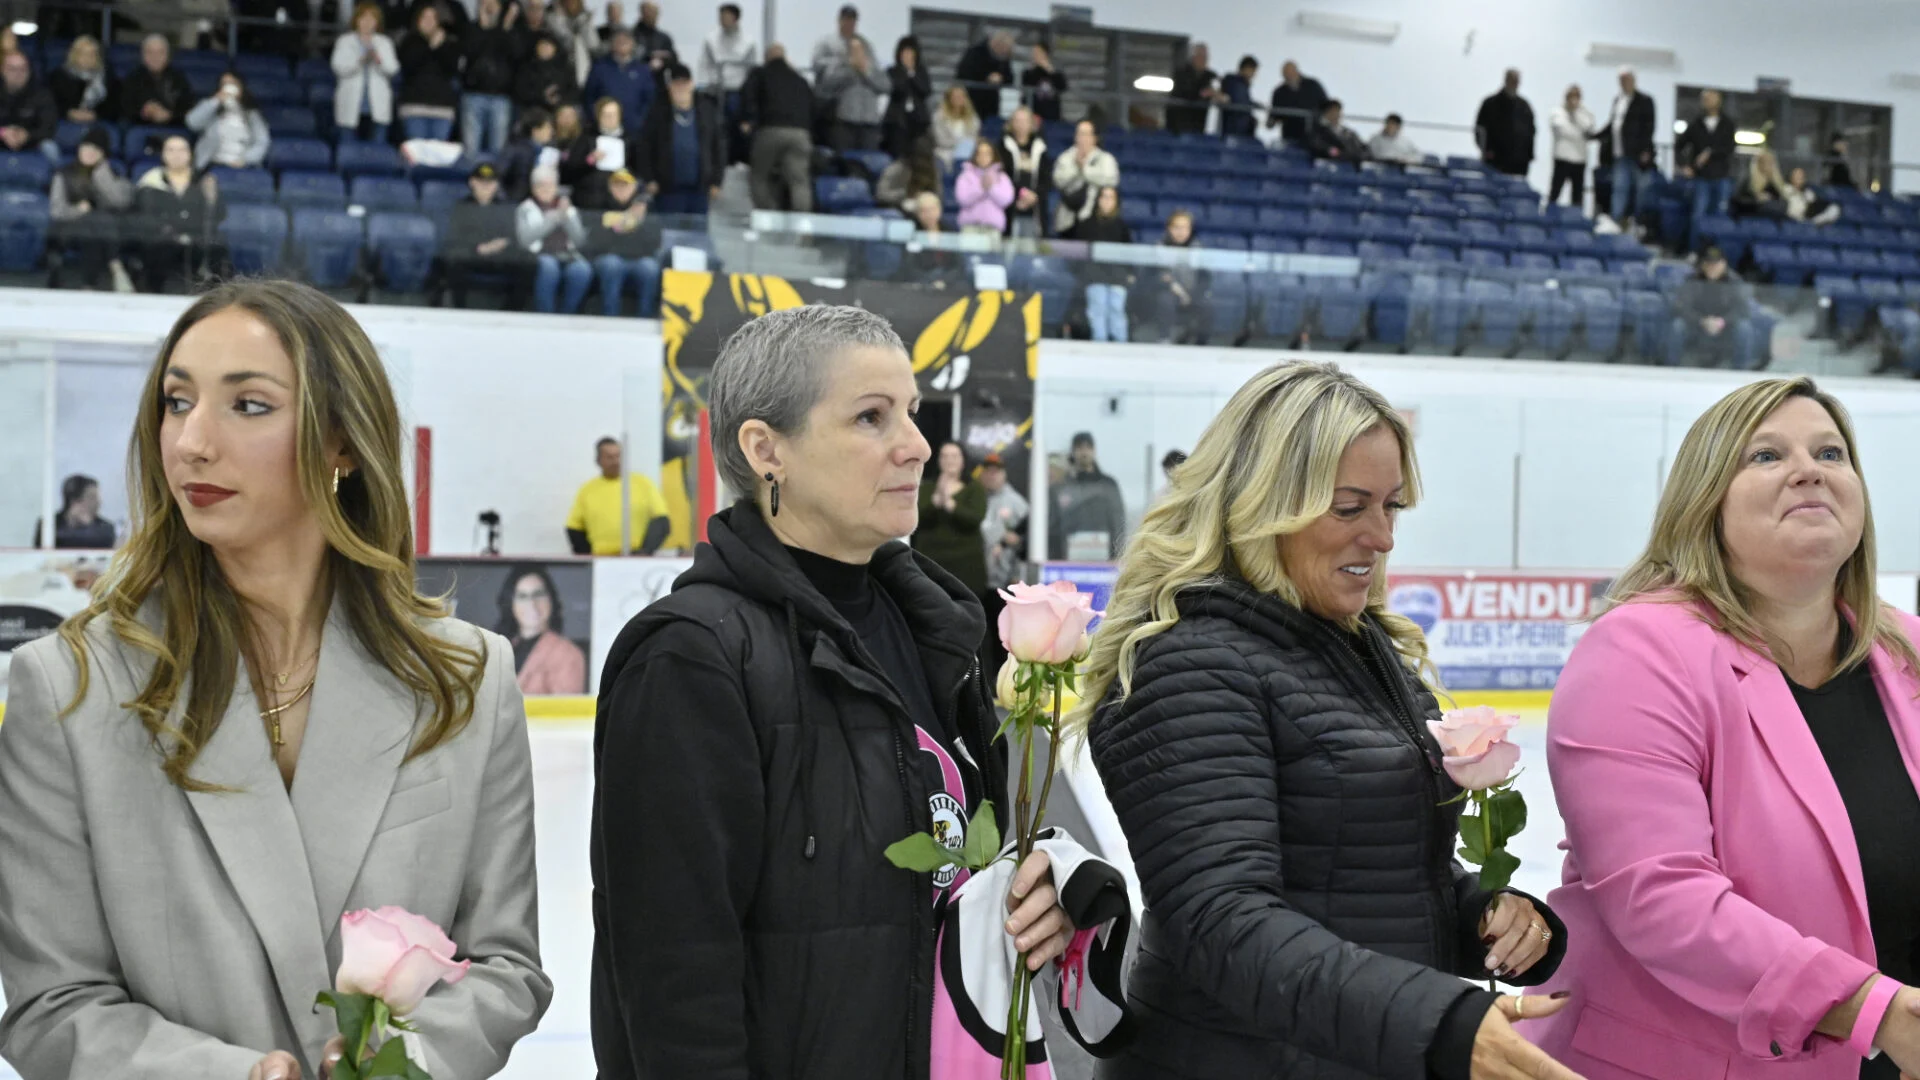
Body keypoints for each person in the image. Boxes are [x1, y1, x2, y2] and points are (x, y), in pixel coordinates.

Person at [0, 279, 552, 1080]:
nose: (191, 442)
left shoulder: (467, 679)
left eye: (248, 405)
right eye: (176, 401)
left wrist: (399, 1063)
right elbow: (54, 1004)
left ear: (342, 442)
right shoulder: (67, 688)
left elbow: (504, 966)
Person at [590, 304, 1088, 1079]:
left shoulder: (935, 633)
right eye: (870, 417)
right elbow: (674, 992)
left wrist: (1030, 898)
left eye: (912, 415)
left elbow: (948, 868)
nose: (918, 446)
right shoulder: (691, 661)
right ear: (767, 451)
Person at [1073, 360, 1571, 1080]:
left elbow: (1369, 878)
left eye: (1392, 506)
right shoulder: (1188, 663)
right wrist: (1442, 1022)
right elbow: (1223, 924)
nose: (1383, 536)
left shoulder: (1358, 647)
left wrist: (1486, 915)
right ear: (1261, 503)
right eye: (1349, 507)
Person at [1530, 376, 1920, 1079]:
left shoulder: (1908, 652)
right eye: (1766, 456)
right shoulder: (1638, 652)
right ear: (1704, 502)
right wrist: (1872, 1010)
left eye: (1831, 452)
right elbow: (1662, 900)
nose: (1809, 468)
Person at [562, 429, 674, 559]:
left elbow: (661, 521)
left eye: (618, 456)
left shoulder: (643, 484)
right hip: (601, 560)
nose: (616, 461)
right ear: (598, 460)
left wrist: (644, 551)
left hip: (636, 558)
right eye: (609, 457)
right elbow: (574, 528)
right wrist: (589, 558)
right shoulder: (587, 490)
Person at [48, 126, 134, 292]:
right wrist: (78, 210)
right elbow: (57, 211)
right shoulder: (64, 174)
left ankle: (89, 284)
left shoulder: (114, 173)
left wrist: (101, 175)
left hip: (102, 232)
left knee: (94, 226)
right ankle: (116, 266)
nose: (89, 152)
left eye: (96, 149)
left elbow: (121, 202)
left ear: (104, 153)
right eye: (86, 147)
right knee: (95, 220)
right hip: (69, 227)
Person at [437, 161, 533, 309]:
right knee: (454, 260)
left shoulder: (504, 207)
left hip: (499, 257)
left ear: (496, 185)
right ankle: (459, 310)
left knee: (528, 262)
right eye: (481, 182)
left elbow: (512, 237)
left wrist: (500, 245)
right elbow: (454, 237)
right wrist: (478, 248)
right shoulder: (462, 207)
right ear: (472, 182)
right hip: (471, 256)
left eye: (490, 183)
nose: (486, 187)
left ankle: (512, 311)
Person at [634, 65, 726, 216]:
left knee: (697, 236)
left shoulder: (707, 110)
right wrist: (649, 178)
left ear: (691, 84)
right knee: (670, 235)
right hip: (667, 190)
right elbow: (644, 147)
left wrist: (717, 181)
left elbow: (719, 147)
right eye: (676, 84)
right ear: (669, 87)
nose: (680, 88)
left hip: (700, 190)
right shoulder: (657, 112)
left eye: (684, 83)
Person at [133, 135, 221, 294]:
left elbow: (219, 215)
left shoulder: (204, 181)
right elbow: (146, 216)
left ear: (190, 154)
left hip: (197, 240)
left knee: (218, 248)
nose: (177, 154)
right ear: (163, 155)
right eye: (171, 150)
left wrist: (212, 200)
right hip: (162, 240)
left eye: (182, 149)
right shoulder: (151, 181)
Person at [915, 440, 989, 608]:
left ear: (963, 460)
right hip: (932, 565)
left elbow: (975, 518)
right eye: (945, 456)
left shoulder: (974, 488)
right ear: (938, 460)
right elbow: (916, 519)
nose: (950, 460)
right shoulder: (925, 488)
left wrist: (950, 504)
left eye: (954, 456)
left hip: (966, 567)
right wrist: (936, 503)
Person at [740, 44, 814, 211]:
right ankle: (802, 228)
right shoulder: (800, 79)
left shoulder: (760, 73)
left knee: (759, 177)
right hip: (800, 134)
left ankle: (770, 218)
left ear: (766, 58)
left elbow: (747, 95)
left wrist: (748, 120)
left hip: (770, 130)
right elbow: (812, 105)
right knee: (799, 182)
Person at [580, 168, 663, 316]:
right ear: (610, 187)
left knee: (649, 268)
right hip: (608, 257)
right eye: (617, 185)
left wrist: (641, 223)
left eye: (625, 185)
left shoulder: (646, 208)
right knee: (612, 265)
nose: (621, 189)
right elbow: (593, 241)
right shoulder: (600, 206)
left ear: (634, 187)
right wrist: (616, 227)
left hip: (638, 258)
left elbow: (655, 242)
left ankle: (645, 316)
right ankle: (610, 315)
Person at [496, 565, 588, 695]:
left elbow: (564, 712)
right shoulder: (503, 648)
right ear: (511, 604)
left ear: (551, 600)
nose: (532, 604)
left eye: (538, 594)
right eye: (522, 596)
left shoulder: (569, 654)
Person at [517, 165, 594, 314]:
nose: (546, 190)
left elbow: (580, 241)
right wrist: (553, 219)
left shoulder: (569, 208)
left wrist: (568, 218)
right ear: (533, 188)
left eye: (550, 185)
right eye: (541, 186)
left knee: (582, 269)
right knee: (549, 267)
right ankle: (546, 314)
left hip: (568, 255)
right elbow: (524, 240)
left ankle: (568, 313)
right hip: (537, 255)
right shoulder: (525, 208)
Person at [1048, 431, 1127, 561]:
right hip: (1068, 560)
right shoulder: (1061, 488)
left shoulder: (1108, 485)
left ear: (1094, 450)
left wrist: (1117, 556)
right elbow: (1053, 526)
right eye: (1079, 448)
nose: (1084, 452)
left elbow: (1118, 522)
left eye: (1088, 447)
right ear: (1073, 452)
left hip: (1104, 559)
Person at [1668, 245, 1749, 368]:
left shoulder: (1734, 282)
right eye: (1709, 263)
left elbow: (1742, 309)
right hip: (1696, 325)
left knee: (1744, 328)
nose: (1712, 267)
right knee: (1677, 326)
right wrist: (1701, 321)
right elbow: (1682, 307)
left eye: (1716, 263)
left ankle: (1741, 370)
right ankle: (1671, 367)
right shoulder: (1692, 280)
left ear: (1724, 264)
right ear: (1703, 264)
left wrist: (1722, 321)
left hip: (1725, 327)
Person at [1596, 66, 1657, 232]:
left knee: (1640, 190)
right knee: (1619, 188)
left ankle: (1637, 221)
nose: (1624, 83)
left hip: (1638, 155)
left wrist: (1645, 151)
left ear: (1633, 81)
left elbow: (1649, 127)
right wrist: (1595, 136)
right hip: (1620, 154)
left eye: (1627, 80)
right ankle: (1616, 220)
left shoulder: (1645, 100)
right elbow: (1613, 125)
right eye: (1622, 80)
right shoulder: (1618, 100)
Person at [1678, 89, 1737, 251]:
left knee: (1719, 217)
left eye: (1711, 98)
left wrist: (1710, 153)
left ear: (1719, 101)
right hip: (1701, 177)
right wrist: (1685, 166)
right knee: (1698, 216)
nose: (1707, 101)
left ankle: (1717, 254)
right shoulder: (1696, 124)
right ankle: (1694, 251)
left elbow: (1729, 148)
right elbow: (1679, 145)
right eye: (1704, 98)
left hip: (1721, 176)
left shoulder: (1728, 124)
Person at [332, 4, 401, 143]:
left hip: (377, 105)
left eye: (371, 19)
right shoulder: (345, 41)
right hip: (350, 102)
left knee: (377, 148)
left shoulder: (384, 43)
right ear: (356, 20)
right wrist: (360, 61)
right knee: (348, 146)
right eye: (363, 18)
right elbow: (337, 67)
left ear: (377, 22)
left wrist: (378, 60)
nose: (367, 22)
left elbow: (393, 69)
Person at [459, 0, 519, 156]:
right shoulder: (471, 28)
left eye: (494, 3)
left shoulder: (510, 30)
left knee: (498, 151)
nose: (490, 7)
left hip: (501, 97)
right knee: (470, 150)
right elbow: (469, 52)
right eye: (486, 2)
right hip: (473, 94)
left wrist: (506, 28)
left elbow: (516, 54)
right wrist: (482, 28)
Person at [1073, 187, 1133, 343]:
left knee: (1116, 309)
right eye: (1104, 197)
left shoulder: (1122, 226)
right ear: (1098, 200)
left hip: (1117, 276)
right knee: (1097, 308)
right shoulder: (1086, 225)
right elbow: (1079, 253)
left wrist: (1128, 273)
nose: (1107, 201)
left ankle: (1120, 342)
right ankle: (1099, 342)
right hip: (1094, 275)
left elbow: (1128, 253)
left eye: (1111, 197)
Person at [396, 4, 461, 142]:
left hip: (442, 110)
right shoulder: (409, 42)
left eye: (433, 18)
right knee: (417, 156)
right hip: (414, 108)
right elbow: (409, 66)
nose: (429, 21)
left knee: (437, 157)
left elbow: (451, 69)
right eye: (425, 17)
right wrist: (430, 45)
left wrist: (439, 46)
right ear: (418, 21)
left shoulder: (449, 44)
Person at [185, 71, 271, 171]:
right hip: (211, 165)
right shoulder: (210, 109)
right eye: (224, 84)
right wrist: (216, 100)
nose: (228, 88)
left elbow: (262, 141)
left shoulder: (252, 114)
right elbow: (192, 123)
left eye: (233, 84)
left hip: (241, 166)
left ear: (241, 88)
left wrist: (246, 160)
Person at [818, 36, 888, 152]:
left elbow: (886, 86)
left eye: (859, 49)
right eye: (853, 49)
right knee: (844, 162)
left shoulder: (874, 67)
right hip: (845, 124)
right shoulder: (840, 66)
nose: (857, 52)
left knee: (868, 162)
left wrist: (866, 72)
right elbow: (827, 84)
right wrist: (850, 70)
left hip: (869, 125)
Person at [1052, 119, 1119, 236]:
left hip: (1097, 221)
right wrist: (1076, 169)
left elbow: (1112, 179)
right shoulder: (1066, 157)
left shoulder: (1105, 158)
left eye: (1087, 134)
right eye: (1080, 134)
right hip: (1068, 220)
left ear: (1094, 138)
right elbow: (1058, 180)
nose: (1083, 139)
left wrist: (1085, 170)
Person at [586, 27, 656, 139]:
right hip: (604, 131)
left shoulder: (643, 70)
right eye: (618, 40)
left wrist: (640, 121)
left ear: (633, 44)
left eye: (626, 40)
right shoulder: (599, 68)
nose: (622, 43)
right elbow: (589, 97)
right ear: (612, 44)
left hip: (635, 132)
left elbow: (650, 100)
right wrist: (597, 120)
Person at [1151, 209, 1206, 346]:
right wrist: (1181, 294)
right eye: (1177, 227)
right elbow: (1160, 276)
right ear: (1169, 228)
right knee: (1165, 300)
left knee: (1207, 305)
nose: (1181, 231)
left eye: (1185, 228)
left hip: (1192, 292)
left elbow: (1204, 278)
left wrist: (1193, 294)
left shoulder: (1198, 248)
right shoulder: (1160, 247)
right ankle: (1165, 339)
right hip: (1169, 292)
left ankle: (1201, 343)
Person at [120, 33, 194, 132]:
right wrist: (143, 113)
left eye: (160, 52)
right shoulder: (132, 78)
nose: (155, 57)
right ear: (142, 55)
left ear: (168, 56)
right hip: (140, 128)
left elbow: (188, 109)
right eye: (150, 52)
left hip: (173, 129)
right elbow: (124, 108)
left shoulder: (178, 78)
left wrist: (169, 116)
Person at [565, 97, 631, 199]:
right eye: (606, 115)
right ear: (598, 116)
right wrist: (590, 160)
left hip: (618, 198)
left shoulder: (629, 140)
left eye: (613, 115)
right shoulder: (586, 137)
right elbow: (572, 167)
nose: (610, 119)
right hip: (590, 195)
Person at [1476, 68, 1536, 178]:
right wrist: (1486, 150)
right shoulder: (1490, 104)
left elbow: (1531, 132)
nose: (1514, 84)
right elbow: (1480, 130)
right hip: (1494, 160)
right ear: (1506, 80)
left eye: (1516, 81)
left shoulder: (1524, 106)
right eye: (1512, 80)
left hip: (1519, 163)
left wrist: (1529, 156)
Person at [0, 50, 58, 163]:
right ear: (2, 70)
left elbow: (49, 128)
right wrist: (3, 133)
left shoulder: (41, 94)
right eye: (12, 69)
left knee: (50, 147)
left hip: (31, 142)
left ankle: (57, 180)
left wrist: (27, 135)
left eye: (23, 69)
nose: (18, 73)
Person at [999, 106, 1048, 237]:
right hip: (1010, 207)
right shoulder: (1003, 146)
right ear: (1011, 123)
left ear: (1031, 124)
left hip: (1035, 209)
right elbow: (1003, 176)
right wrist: (1021, 193)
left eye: (1025, 121)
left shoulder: (1041, 147)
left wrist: (1034, 195)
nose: (1021, 125)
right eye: (1017, 121)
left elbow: (1046, 178)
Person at [31, 474, 116, 549]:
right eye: (92, 497)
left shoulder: (106, 528)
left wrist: (88, 526)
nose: (99, 502)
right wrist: (72, 523)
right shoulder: (48, 525)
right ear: (75, 501)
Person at [901, 191, 966, 289]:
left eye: (932, 209)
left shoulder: (950, 232)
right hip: (922, 284)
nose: (929, 214)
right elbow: (910, 267)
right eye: (924, 211)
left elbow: (958, 265)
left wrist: (944, 281)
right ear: (918, 214)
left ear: (939, 210)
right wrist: (930, 282)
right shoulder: (913, 235)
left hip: (948, 284)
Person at [46, 36, 116, 126]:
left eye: (92, 54)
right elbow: (52, 103)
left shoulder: (107, 76)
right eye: (83, 54)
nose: (88, 58)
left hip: (98, 122)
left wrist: (96, 114)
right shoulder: (59, 76)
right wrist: (69, 113)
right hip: (65, 121)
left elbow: (113, 106)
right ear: (74, 55)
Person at [883, 35, 933, 159]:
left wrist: (912, 73)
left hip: (918, 120)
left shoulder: (921, 72)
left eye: (910, 52)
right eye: (905, 52)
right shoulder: (892, 71)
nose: (907, 55)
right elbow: (897, 89)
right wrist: (905, 72)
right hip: (897, 120)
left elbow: (925, 90)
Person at [1548, 85, 1595, 209]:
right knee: (1555, 192)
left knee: (1577, 196)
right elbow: (1561, 130)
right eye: (1571, 97)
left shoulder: (1586, 113)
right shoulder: (1557, 112)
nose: (1573, 100)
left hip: (1579, 160)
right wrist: (1579, 134)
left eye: (1576, 97)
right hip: (1562, 158)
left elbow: (1588, 130)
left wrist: (1576, 114)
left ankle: (1576, 220)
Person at [514, 31, 581, 117]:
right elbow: (521, 92)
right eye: (542, 45)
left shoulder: (565, 68)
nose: (545, 48)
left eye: (548, 45)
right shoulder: (527, 68)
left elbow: (574, 91)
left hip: (561, 108)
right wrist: (543, 96)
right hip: (534, 109)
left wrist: (559, 99)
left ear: (555, 48)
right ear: (536, 48)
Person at [953, 29, 1014, 123]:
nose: (1003, 52)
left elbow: (1010, 78)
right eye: (1003, 49)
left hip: (991, 105)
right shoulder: (975, 52)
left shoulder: (1004, 58)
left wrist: (1001, 78)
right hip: (971, 100)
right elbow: (964, 73)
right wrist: (986, 77)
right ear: (997, 44)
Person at [955, 138, 1013, 234]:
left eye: (987, 154)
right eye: (980, 153)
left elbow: (1006, 200)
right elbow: (962, 199)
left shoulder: (1002, 177)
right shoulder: (965, 176)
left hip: (993, 228)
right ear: (975, 156)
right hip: (970, 227)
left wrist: (991, 188)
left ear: (993, 156)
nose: (983, 157)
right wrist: (981, 188)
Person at [699, 3, 758, 97]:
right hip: (715, 87)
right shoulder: (711, 40)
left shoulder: (749, 42)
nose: (722, 20)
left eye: (725, 17)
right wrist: (703, 83)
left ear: (735, 18)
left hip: (738, 88)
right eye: (720, 17)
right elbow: (704, 64)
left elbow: (751, 69)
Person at [875, 133, 942, 216]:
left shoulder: (932, 170)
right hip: (897, 209)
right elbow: (881, 195)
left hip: (925, 211)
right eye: (919, 158)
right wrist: (904, 194)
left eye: (925, 159)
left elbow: (938, 196)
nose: (922, 163)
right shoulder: (897, 168)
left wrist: (925, 198)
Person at [810, 3, 873, 85]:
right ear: (839, 20)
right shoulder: (825, 42)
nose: (849, 23)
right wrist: (843, 62)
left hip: (858, 90)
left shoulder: (864, 44)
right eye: (846, 19)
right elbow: (816, 64)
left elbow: (873, 66)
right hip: (832, 90)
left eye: (852, 20)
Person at [1267, 60, 1329, 143]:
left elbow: (1327, 106)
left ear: (1297, 71)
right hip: (1290, 137)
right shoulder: (1279, 92)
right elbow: (1274, 115)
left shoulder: (1313, 85)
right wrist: (1270, 122)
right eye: (1286, 74)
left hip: (1314, 135)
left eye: (1291, 72)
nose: (1289, 76)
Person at [1167, 43, 1222, 136]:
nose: (1203, 60)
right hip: (1180, 123)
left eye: (1205, 57)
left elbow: (1219, 89)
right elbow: (1183, 93)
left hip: (1200, 123)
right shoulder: (1181, 73)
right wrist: (1202, 94)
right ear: (1193, 57)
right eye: (1200, 56)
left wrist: (1218, 94)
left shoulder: (1210, 76)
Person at [549, 0, 601, 87]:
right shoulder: (553, 18)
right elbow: (565, 41)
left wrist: (586, 23)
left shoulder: (584, 18)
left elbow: (593, 45)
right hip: (561, 70)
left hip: (585, 69)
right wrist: (560, 17)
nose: (571, 4)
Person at [931, 84, 981, 170]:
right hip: (945, 153)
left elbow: (974, 137)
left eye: (962, 96)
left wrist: (966, 144)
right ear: (949, 98)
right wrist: (961, 143)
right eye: (956, 96)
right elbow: (940, 140)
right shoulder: (939, 116)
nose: (960, 98)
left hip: (967, 153)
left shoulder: (972, 117)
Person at [1732, 149, 1790, 221]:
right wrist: (1756, 200)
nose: (1767, 165)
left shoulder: (1777, 184)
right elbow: (1737, 201)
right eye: (1763, 162)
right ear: (1758, 163)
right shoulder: (1749, 181)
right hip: (1752, 220)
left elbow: (1784, 204)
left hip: (1773, 222)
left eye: (1770, 162)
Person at [1305, 98, 1366, 162]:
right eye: (1333, 111)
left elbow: (1363, 149)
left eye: (1338, 111)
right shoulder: (1318, 131)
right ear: (1326, 113)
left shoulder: (1349, 133)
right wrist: (1336, 153)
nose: (1336, 114)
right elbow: (1320, 147)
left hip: (1352, 167)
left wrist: (1360, 156)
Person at [1021, 42, 1068, 124]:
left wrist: (1050, 70)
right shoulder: (1028, 73)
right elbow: (1026, 88)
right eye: (1034, 53)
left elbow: (1063, 87)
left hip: (1051, 115)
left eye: (1038, 53)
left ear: (1046, 54)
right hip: (1034, 114)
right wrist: (1035, 69)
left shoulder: (1055, 73)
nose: (1035, 56)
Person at [1218, 54, 1258, 138]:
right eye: (1253, 71)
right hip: (1234, 129)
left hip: (1240, 130)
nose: (1254, 75)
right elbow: (1240, 102)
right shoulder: (1234, 82)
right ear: (1247, 68)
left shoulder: (1241, 84)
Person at [630, 1, 678, 71]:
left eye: (655, 12)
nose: (652, 15)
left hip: (658, 78)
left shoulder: (664, 38)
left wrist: (664, 59)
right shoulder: (632, 36)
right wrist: (650, 56)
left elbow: (674, 59)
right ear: (642, 13)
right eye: (649, 11)